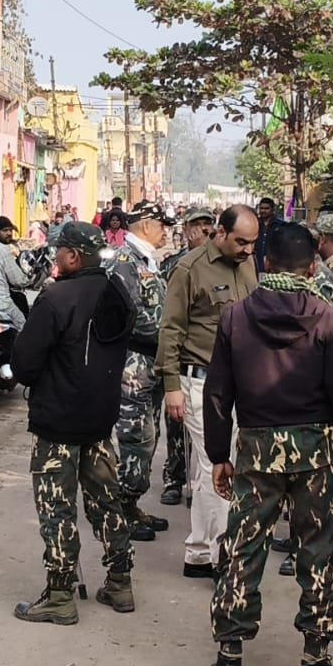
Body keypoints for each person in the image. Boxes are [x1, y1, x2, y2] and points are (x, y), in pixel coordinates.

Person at [201, 222, 333, 666]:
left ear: (266, 263)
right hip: (315, 451)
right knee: (319, 549)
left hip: (256, 449)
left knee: (243, 548)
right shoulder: (327, 318)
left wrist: (218, 455)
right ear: (313, 267)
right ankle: (314, 665)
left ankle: (229, 662)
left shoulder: (235, 317)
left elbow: (218, 394)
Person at [9, 221, 137, 624]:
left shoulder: (56, 298)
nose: (55, 256)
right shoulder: (118, 293)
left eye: (59, 250)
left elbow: (25, 365)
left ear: (73, 256)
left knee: (57, 508)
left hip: (58, 423)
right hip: (100, 420)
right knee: (106, 501)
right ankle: (120, 581)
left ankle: (61, 594)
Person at [158, 205, 259, 580]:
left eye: (253, 243)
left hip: (240, 380)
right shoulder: (190, 269)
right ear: (221, 232)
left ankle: (198, 553)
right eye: (241, 242)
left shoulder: (248, 264)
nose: (248, 249)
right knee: (220, 463)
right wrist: (172, 386)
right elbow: (171, 328)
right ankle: (222, 555)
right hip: (200, 381)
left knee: (206, 469)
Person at [273, 212, 333, 577]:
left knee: (325, 465)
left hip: (327, 373)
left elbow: (313, 330)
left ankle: (315, 542)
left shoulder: (324, 281)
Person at [107, 201, 173, 543]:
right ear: (146, 225)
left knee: (149, 435)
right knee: (136, 438)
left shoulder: (147, 260)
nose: (167, 232)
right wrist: (166, 332)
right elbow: (126, 316)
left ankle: (131, 504)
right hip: (133, 364)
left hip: (152, 362)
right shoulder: (124, 262)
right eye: (162, 225)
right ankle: (119, 510)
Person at [157, 207, 216, 507]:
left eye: (208, 223)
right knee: (176, 426)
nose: (204, 229)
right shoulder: (174, 264)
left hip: (206, 360)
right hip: (179, 356)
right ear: (186, 229)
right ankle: (175, 479)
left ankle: (203, 485)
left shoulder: (220, 264)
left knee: (208, 432)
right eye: (198, 224)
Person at [252, 197, 283, 275]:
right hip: (255, 264)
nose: (263, 211)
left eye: (266, 208)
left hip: (273, 267)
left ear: (272, 209)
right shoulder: (254, 223)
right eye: (261, 208)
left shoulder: (280, 225)